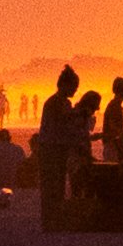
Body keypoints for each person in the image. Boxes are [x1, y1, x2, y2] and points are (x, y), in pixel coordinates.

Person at [35, 67, 82, 230]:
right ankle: (50, 221)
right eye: (74, 87)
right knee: (51, 186)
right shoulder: (55, 102)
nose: (75, 91)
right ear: (64, 85)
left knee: (58, 184)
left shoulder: (61, 102)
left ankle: (54, 219)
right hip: (50, 149)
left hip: (57, 149)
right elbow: (62, 122)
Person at [100, 78, 123, 162]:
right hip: (113, 146)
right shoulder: (114, 106)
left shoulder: (115, 106)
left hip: (115, 145)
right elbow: (113, 127)